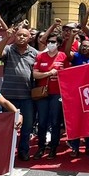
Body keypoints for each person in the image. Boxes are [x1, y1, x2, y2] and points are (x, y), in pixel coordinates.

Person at [0, 23, 38, 161]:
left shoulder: (34, 53)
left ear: (30, 38)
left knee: (27, 126)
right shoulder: (8, 48)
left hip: (27, 96)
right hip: (8, 96)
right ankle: (7, 152)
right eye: (19, 35)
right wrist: (5, 39)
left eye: (25, 35)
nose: (21, 37)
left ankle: (23, 151)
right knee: (8, 127)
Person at [31, 30, 67, 158]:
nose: (50, 44)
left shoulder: (63, 56)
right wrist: (49, 73)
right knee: (42, 121)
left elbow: (68, 73)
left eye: (53, 42)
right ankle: (41, 147)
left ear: (58, 44)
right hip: (42, 94)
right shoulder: (41, 56)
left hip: (57, 93)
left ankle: (53, 147)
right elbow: (35, 74)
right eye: (49, 42)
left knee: (55, 122)